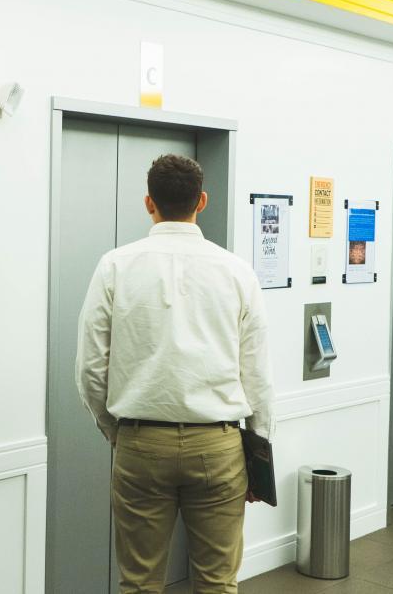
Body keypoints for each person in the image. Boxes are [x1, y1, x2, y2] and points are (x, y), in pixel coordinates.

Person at [75, 154, 275, 594]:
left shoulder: (115, 266)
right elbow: (256, 374)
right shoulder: (238, 271)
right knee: (217, 583)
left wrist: (118, 431)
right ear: (201, 201)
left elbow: (90, 369)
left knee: (140, 583)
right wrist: (257, 451)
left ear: (149, 202)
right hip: (219, 445)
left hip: (141, 443)